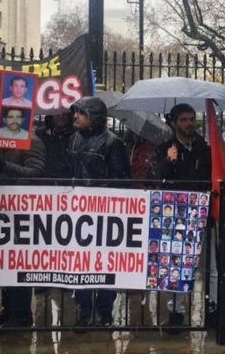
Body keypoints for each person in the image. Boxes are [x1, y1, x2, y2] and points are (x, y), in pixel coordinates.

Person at [149, 103, 213, 332]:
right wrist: (169, 161)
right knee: (177, 264)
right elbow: (154, 177)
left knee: (209, 266)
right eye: (184, 120)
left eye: (191, 119)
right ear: (174, 123)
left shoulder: (204, 148)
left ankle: (212, 308)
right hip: (176, 216)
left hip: (202, 213)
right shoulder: (164, 148)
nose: (189, 123)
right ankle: (176, 310)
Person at [68, 96, 131, 328]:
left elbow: (121, 179)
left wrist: (95, 194)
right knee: (81, 263)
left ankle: (105, 310)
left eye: (81, 113)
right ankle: (84, 309)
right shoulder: (73, 139)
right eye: (75, 112)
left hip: (105, 214)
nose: (75, 116)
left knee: (104, 263)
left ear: (93, 117)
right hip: (77, 213)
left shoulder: (112, 143)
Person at [0, 133, 46, 328]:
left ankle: (21, 315)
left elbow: (36, 172)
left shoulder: (32, 141)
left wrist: (4, 166)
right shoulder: (5, 142)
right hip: (5, 209)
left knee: (18, 264)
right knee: (6, 263)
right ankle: (9, 309)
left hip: (22, 210)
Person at [36, 112, 74, 179]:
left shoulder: (76, 136)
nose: (61, 116)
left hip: (68, 180)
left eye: (64, 113)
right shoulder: (41, 135)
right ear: (51, 117)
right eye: (57, 113)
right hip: (45, 180)